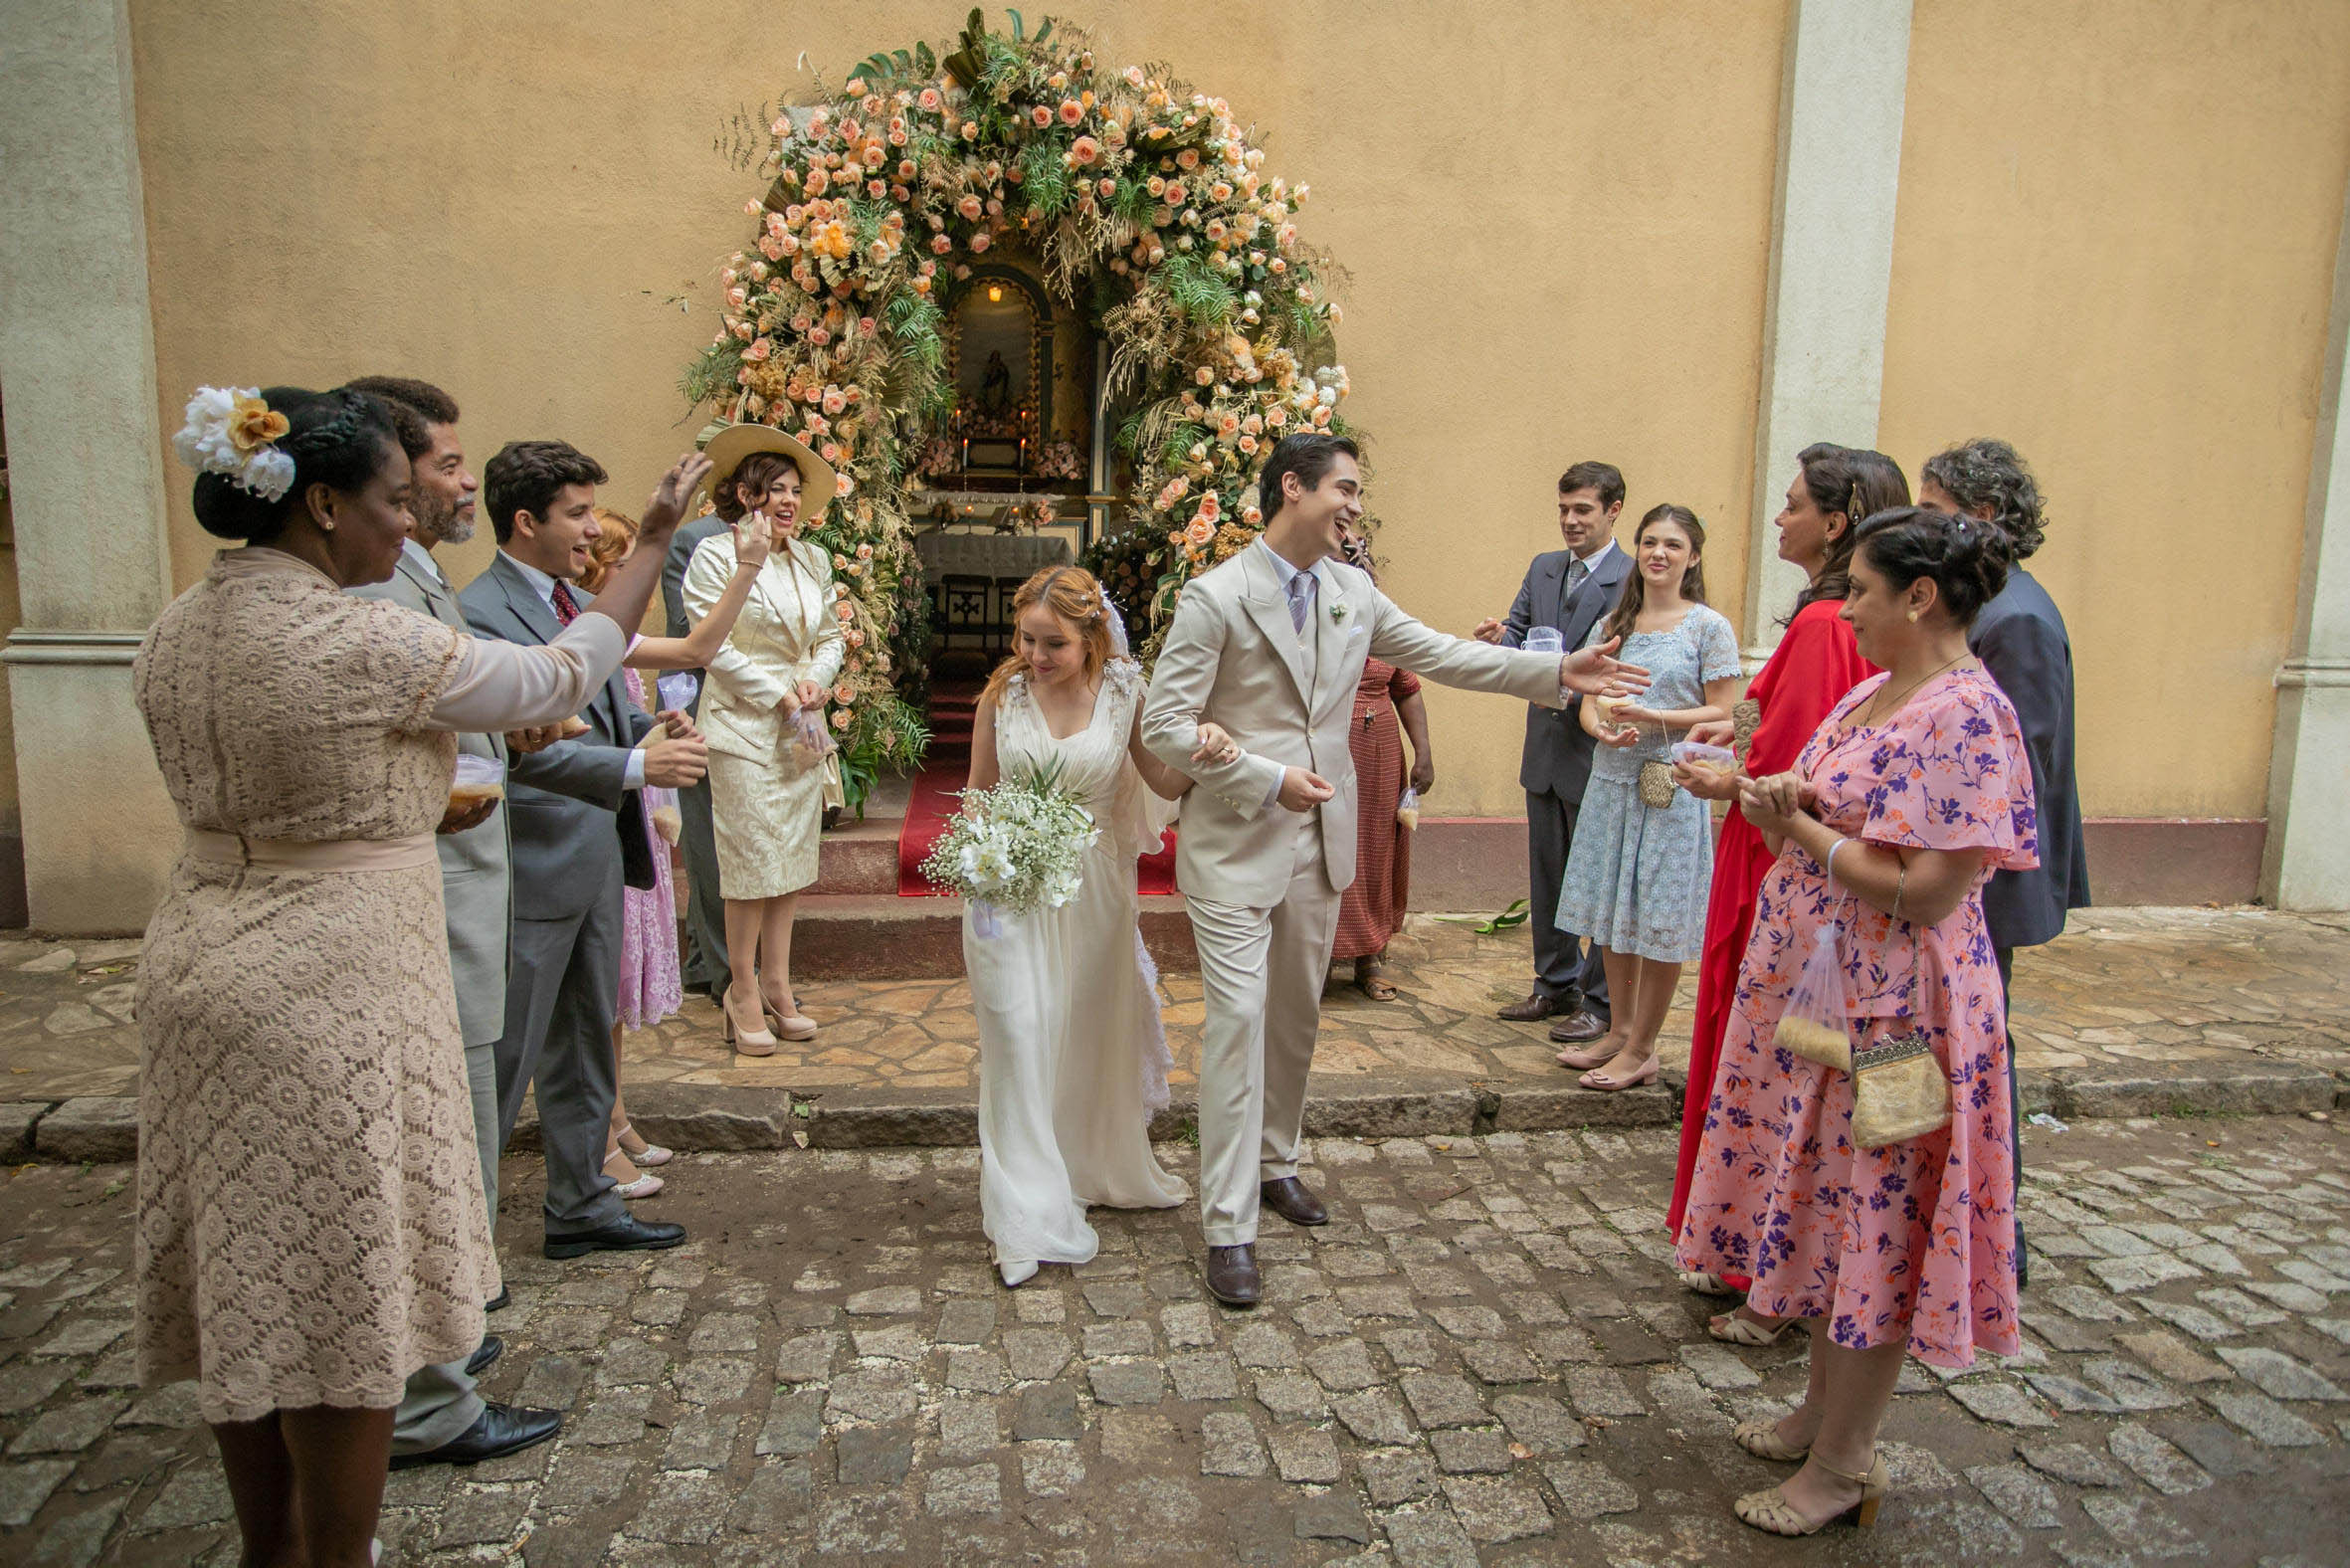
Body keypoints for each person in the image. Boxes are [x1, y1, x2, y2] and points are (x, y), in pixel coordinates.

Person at [134, 384, 693, 1564]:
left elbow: (286, 781)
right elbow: (553, 678)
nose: (405, 528)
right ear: (324, 503)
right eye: (393, 501)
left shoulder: (178, 624)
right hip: (332, 982)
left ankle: (267, 1547)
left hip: (197, 965)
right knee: (349, 1290)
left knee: (251, 1282)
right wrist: (645, 543)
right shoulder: (363, 634)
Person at [1140, 433, 1649, 1305]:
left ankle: (1276, 1163)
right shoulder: (1215, 596)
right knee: (1237, 1023)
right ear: (1293, 489)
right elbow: (1163, 727)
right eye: (1343, 488)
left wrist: (1558, 669)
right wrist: (1265, 780)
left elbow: (1447, 653)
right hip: (1232, 843)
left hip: (1323, 843)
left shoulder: (1353, 592)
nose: (1352, 504)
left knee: (1295, 1023)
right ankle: (1227, 1225)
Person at [1677, 506, 2036, 1538]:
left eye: (1865, 594)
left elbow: (1925, 892)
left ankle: (1843, 1462)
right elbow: (1845, 802)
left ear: (1918, 597)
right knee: (1833, 1207)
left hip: (1898, 1019)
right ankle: (1815, 1414)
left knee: (1877, 1223)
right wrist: (1780, 789)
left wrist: (1790, 824)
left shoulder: (1967, 714)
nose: (1850, 613)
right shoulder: (1882, 688)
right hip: (1831, 1003)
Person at [342, 375, 561, 1469]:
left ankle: (445, 1346)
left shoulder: (416, 572)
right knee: (442, 1149)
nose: (460, 479)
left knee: (461, 1141)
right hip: (433, 900)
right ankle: (427, 1397)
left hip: (464, 890)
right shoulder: (380, 594)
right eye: (441, 466)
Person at [1666, 444, 1900, 1334]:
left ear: (1836, 523)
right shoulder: (1842, 625)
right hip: (1811, 868)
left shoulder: (1822, 626)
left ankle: (1752, 1256)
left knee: (1766, 1066)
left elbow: (1785, 770)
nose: (1779, 517)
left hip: (1782, 866)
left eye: (1794, 503)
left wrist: (1723, 778)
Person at [462, 441, 710, 1262]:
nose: (587, 530)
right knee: (504, 1060)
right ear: (525, 521)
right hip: (531, 867)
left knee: (583, 1045)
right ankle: (460, 1249)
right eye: (575, 514)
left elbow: (599, 714)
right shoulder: (482, 612)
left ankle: (581, 1205)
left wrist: (649, 729)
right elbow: (519, 748)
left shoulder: (577, 602)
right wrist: (639, 766)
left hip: (599, 857)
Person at [964, 565, 1236, 1287]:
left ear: (1091, 637)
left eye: (1053, 642)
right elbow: (979, 799)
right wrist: (983, 872)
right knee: (1019, 1038)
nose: (1035, 655)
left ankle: (1081, 1163)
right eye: (1025, 638)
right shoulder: (1003, 695)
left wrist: (1207, 746)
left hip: (1094, 893)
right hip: (1012, 892)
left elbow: (1164, 780)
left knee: (1084, 1032)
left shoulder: (1125, 694)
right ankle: (1025, 1210)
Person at [1922, 437, 2088, 1289]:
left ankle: (1994, 1239)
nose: (1923, 520)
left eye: (1934, 505)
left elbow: (2019, 761)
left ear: (1980, 515)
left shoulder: (2015, 616)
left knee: (1982, 1056)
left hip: (1990, 881)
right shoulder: (1992, 602)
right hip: (1962, 875)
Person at [578, 502, 771, 1195]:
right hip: (603, 819)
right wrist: (746, 566)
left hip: (639, 819)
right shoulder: (583, 635)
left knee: (619, 988)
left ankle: (618, 1114)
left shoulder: (614, 638)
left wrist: (657, 721)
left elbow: (686, 657)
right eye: (628, 566)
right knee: (599, 993)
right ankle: (598, 1135)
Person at [1551, 505, 1743, 1089]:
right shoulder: (1616, 623)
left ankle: (1643, 1047)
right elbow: (1587, 699)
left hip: (1670, 787)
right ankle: (1616, 1030)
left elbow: (1727, 711)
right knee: (1612, 916)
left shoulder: (1709, 626)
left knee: (1657, 920)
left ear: (1694, 556)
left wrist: (1653, 716)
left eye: (1673, 545)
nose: (1659, 553)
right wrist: (1600, 727)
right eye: (1650, 542)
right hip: (1611, 783)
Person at [680, 424, 846, 1055]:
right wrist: (776, 693)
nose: (786, 501)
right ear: (745, 494)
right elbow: (710, 644)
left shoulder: (813, 558)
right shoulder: (715, 557)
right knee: (749, 864)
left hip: (800, 727)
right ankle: (741, 989)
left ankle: (779, 984)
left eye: (794, 491)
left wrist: (813, 682)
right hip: (743, 727)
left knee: (793, 862)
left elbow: (829, 635)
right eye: (773, 489)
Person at [1472, 462, 1633, 1045]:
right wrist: (1500, 641)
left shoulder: (1632, 577)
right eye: (1564, 509)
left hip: (1597, 750)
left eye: (1582, 510)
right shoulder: (1543, 569)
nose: (1569, 520)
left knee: (1595, 878)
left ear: (1613, 511)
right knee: (1548, 872)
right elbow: (1520, 636)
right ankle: (1553, 981)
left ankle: (1597, 998)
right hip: (1542, 746)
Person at [1329, 531, 1435, 1001]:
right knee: (1331, 846)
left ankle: (1370, 956)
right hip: (1328, 750)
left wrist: (1424, 753)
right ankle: (1319, 956)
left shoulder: (1383, 621)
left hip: (1381, 753)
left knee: (1375, 848)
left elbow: (1407, 687)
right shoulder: (1312, 621)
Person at [662, 503, 734, 1008]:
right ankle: (730, 974)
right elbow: (688, 629)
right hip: (706, 699)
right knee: (709, 841)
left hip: (762, 706)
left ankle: (700, 963)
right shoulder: (695, 539)